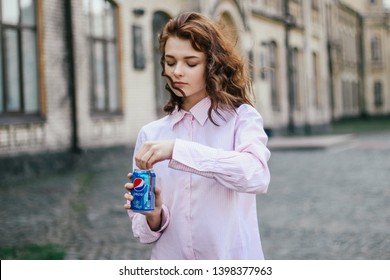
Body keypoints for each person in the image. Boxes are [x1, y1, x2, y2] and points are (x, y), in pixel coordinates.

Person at [123, 11, 271, 260]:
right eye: (170, 62)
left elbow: (256, 176)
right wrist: (153, 215)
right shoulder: (151, 134)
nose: (177, 72)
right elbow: (144, 232)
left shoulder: (241, 119)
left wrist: (178, 151)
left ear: (212, 64)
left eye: (190, 63)